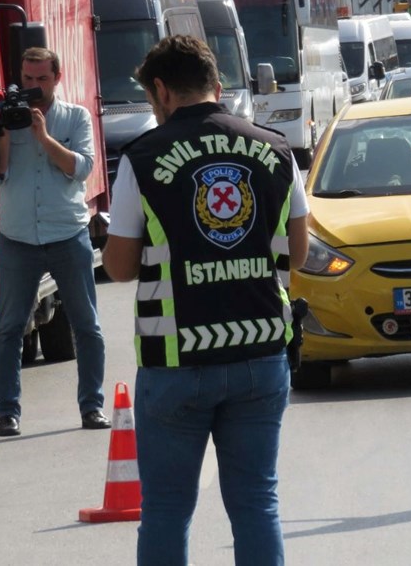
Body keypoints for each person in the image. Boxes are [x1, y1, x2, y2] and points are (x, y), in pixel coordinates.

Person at [103, 35, 308, 566]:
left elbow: (120, 268)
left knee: (168, 508)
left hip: (175, 361)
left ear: (163, 91)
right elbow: (299, 254)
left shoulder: (143, 157)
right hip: (261, 354)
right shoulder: (276, 149)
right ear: (215, 85)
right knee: (256, 502)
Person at [0, 47, 107, 437]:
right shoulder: (4, 116)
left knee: (87, 326)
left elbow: (81, 168)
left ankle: (92, 407)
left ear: (57, 77)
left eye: (41, 80)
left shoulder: (75, 117)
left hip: (66, 233)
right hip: (18, 236)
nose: (33, 88)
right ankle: (8, 414)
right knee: (9, 328)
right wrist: (2, 132)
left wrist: (44, 135)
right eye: (27, 79)